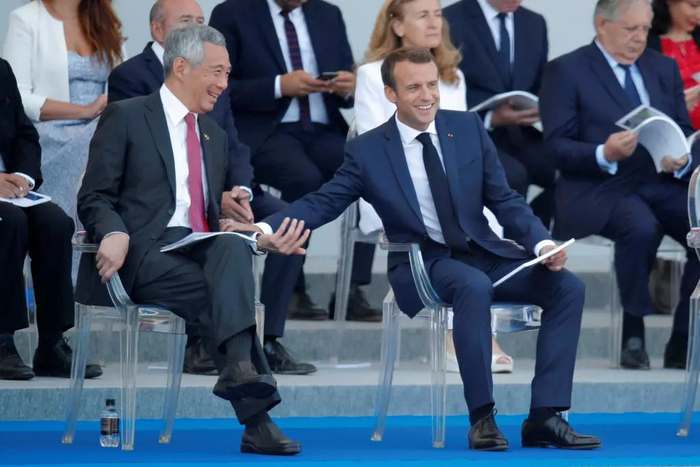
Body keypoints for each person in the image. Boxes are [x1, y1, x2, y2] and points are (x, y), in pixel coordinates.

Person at [241, 47, 600, 451]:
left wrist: (542, 243)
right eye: (413, 88)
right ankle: (482, 418)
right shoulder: (369, 150)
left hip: (483, 253)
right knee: (473, 286)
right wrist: (262, 228)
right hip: (423, 261)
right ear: (391, 94)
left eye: (432, 84)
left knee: (568, 287)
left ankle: (545, 417)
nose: (427, 95)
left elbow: (504, 199)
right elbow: (323, 202)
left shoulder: (466, 128)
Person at [77, 25, 303, 456]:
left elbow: (204, 217)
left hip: (197, 249)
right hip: (140, 253)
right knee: (225, 293)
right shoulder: (127, 115)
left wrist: (249, 232)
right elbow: (94, 196)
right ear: (181, 67)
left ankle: (244, 383)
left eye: (227, 74)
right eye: (217, 72)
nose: (224, 84)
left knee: (232, 247)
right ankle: (255, 412)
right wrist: (114, 231)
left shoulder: (213, 135)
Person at [108, 0, 315, 376]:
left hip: (223, 194)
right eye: (185, 21)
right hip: (167, 212)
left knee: (290, 221)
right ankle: (222, 352)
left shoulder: (216, 79)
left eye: (201, 21)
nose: (196, 28)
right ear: (158, 30)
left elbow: (232, 142)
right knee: (222, 254)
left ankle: (268, 338)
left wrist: (241, 191)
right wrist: (206, 194)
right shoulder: (131, 78)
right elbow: (137, 168)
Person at [540, 0, 700, 370]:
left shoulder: (661, 67)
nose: (640, 38)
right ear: (602, 25)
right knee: (641, 226)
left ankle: (683, 338)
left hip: (659, 179)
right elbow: (556, 148)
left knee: (698, 225)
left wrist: (679, 156)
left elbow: (683, 128)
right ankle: (634, 331)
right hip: (598, 186)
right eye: (631, 29)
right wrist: (603, 152)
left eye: (644, 29)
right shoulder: (567, 70)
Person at [355, 0, 513, 374]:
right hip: (400, 193)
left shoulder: (452, 75)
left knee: (488, 218)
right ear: (397, 25)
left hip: (452, 190)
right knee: (453, 220)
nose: (434, 22)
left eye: (438, 14)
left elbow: (464, 148)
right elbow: (375, 150)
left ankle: (474, 332)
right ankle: (464, 338)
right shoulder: (372, 75)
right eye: (422, 15)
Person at [209, 0, 381, 322]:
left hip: (323, 127)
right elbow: (221, 88)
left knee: (368, 169)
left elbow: (346, 80)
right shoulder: (232, 13)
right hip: (268, 132)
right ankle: (293, 289)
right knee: (304, 179)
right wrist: (279, 86)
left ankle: (352, 288)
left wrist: (348, 87)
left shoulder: (328, 14)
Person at [0, 58, 101, 381]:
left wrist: (23, 176)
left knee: (56, 223)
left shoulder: (1, 70)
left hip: (10, 188)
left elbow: (25, 134)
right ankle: (2, 341)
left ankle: (51, 344)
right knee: (9, 222)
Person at [3, 0, 125, 219]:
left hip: (102, 122)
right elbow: (18, 98)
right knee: (106, 139)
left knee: (120, 134)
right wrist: (85, 111)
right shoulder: (25, 19)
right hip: (50, 130)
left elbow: (124, 80)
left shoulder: (106, 18)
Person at [443, 0, 556, 230]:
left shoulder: (534, 23)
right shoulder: (449, 20)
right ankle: (509, 247)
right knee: (513, 176)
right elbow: (443, 89)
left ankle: (532, 234)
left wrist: (542, 106)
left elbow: (540, 82)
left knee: (573, 169)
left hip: (521, 131)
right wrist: (491, 117)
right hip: (470, 134)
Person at [648, 0, 700, 129]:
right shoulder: (645, 44)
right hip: (674, 131)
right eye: (693, 5)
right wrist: (678, 106)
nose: (698, 15)